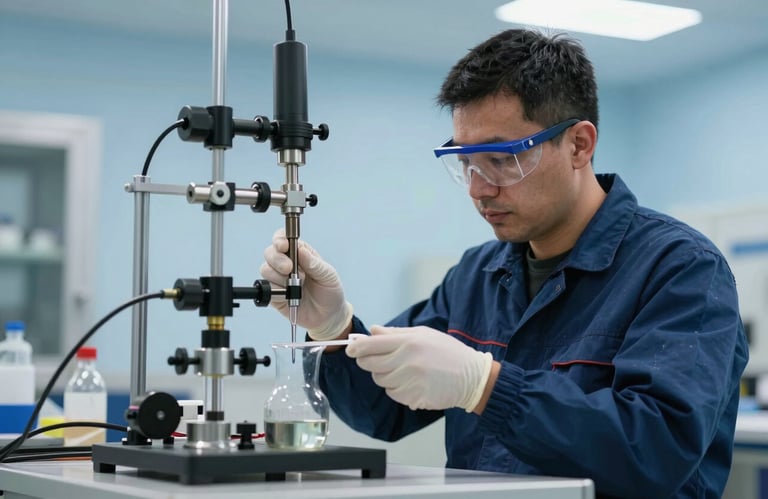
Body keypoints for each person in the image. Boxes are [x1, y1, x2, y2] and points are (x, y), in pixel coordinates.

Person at [260, 28, 747, 498]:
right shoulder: (478, 275)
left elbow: (655, 451)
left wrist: (487, 385)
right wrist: (334, 327)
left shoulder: (680, 269)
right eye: (465, 161)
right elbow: (384, 411)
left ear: (579, 144)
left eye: (500, 158)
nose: (478, 188)